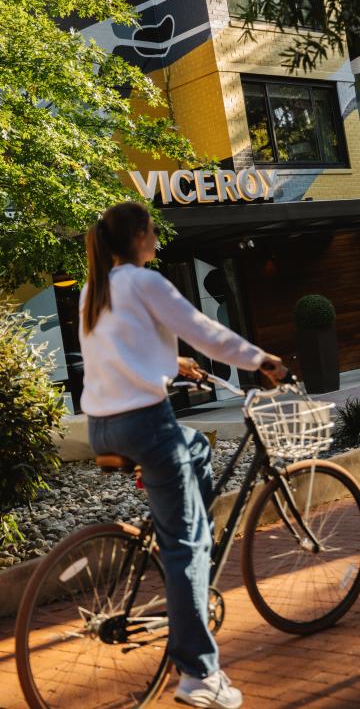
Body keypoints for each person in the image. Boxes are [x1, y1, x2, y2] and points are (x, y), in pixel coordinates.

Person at [79, 201, 287, 709]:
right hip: (147, 426)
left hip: (103, 428)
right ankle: (200, 675)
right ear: (140, 238)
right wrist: (261, 360)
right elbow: (207, 331)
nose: (157, 237)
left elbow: (120, 349)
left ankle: (179, 528)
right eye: (152, 230)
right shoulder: (145, 283)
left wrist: (173, 362)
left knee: (195, 450)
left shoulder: (95, 289)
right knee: (189, 547)